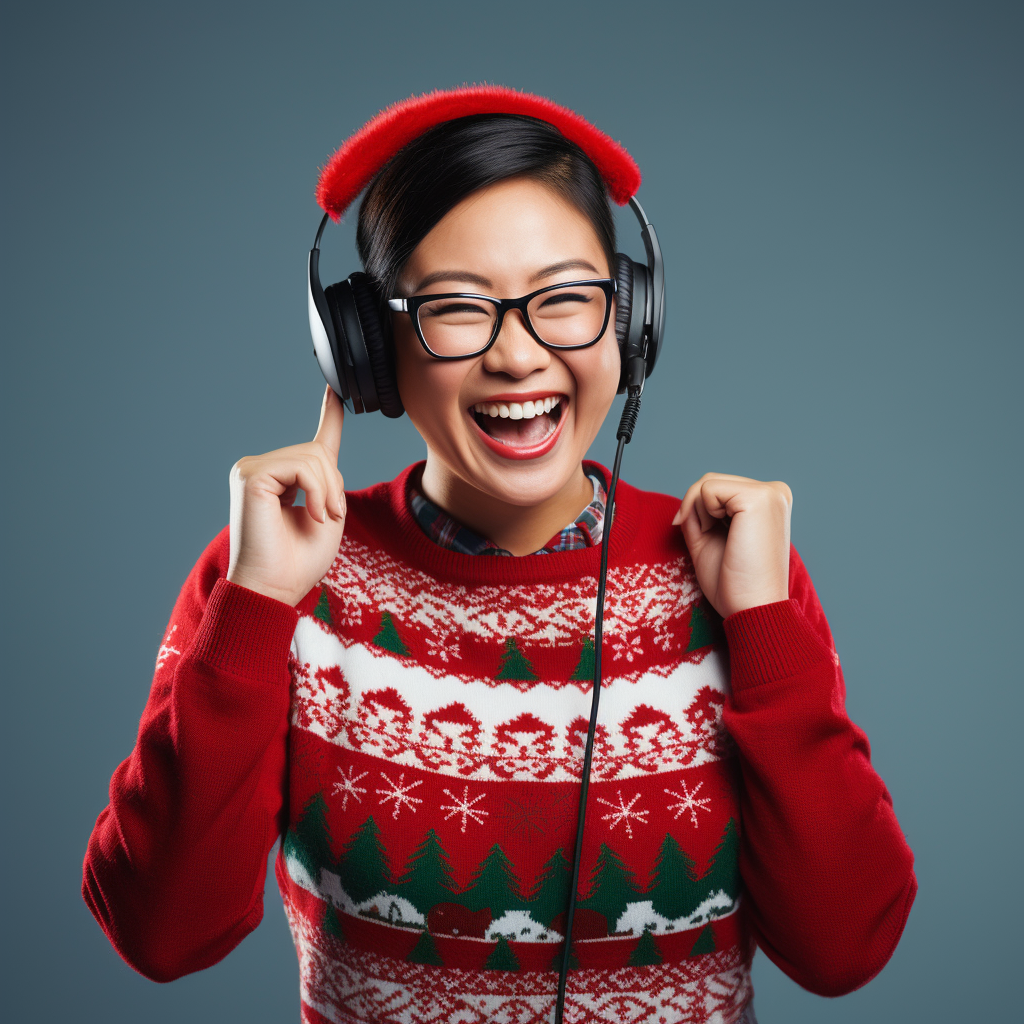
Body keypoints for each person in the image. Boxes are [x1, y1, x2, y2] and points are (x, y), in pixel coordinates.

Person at [83, 88, 916, 1024]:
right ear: (366, 348)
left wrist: (763, 627)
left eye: (566, 300)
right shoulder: (274, 575)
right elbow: (161, 934)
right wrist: (257, 605)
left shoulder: (737, 574)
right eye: (455, 309)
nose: (518, 357)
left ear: (634, 319)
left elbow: (846, 949)